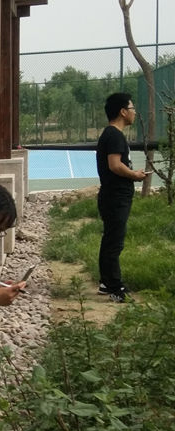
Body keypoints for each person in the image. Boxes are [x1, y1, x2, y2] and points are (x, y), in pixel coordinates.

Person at [95, 92, 146, 303]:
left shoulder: (112, 134)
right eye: (132, 108)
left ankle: (106, 282)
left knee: (111, 239)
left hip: (114, 196)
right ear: (123, 112)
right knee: (114, 243)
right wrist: (134, 175)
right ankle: (115, 287)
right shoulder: (114, 135)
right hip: (115, 197)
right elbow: (115, 165)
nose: (134, 112)